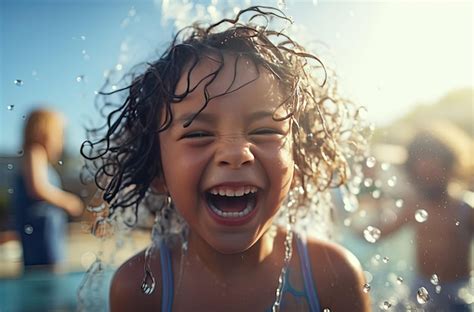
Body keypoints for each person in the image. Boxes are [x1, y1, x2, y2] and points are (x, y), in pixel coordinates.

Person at [82, 6, 370, 311]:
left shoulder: (332, 276)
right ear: (158, 171)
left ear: (298, 160)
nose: (235, 154)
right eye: (197, 134)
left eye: (264, 130)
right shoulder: (139, 290)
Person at [374, 122, 473, 311]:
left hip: (457, 293)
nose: (427, 178)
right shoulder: (413, 207)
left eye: (434, 172)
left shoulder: (466, 209)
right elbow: (380, 233)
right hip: (420, 290)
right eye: (422, 175)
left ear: (450, 166)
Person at [14, 109, 84, 267]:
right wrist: (68, 201)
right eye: (59, 134)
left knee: (51, 269)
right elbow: (37, 187)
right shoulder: (35, 152)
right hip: (40, 232)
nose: (61, 140)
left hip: (48, 229)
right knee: (46, 271)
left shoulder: (39, 158)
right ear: (43, 132)